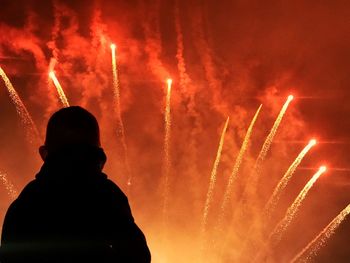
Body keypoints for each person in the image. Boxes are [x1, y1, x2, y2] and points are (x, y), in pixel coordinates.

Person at [0, 106, 151, 263]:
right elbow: (139, 256)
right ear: (99, 155)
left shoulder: (24, 205)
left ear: (44, 153)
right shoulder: (109, 197)